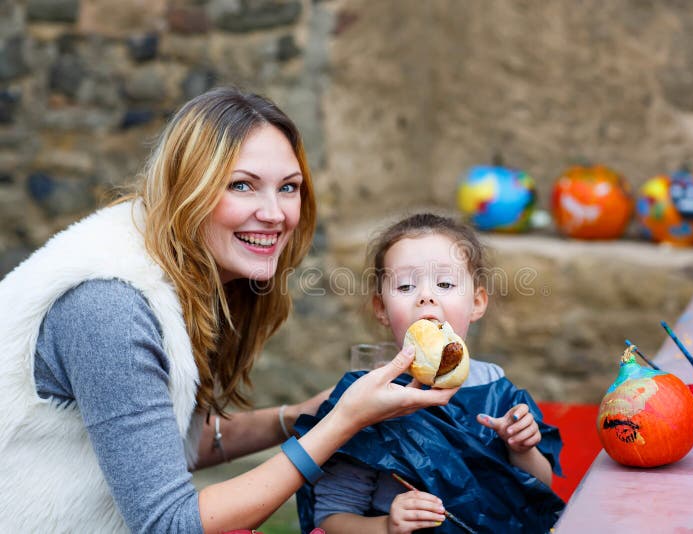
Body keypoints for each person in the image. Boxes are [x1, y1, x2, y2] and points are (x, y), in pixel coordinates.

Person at [0, 88, 457, 532]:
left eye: (289, 187)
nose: (275, 214)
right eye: (242, 185)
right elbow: (169, 523)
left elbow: (146, 441)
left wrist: (302, 414)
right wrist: (342, 421)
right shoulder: (109, 307)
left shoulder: (182, 274)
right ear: (187, 190)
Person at [295, 213, 564, 534]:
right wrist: (387, 525)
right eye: (406, 285)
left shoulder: (501, 392)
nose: (426, 295)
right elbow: (330, 519)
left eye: (446, 284)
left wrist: (522, 450)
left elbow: (539, 490)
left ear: (476, 303)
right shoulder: (365, 402)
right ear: (381, 308)